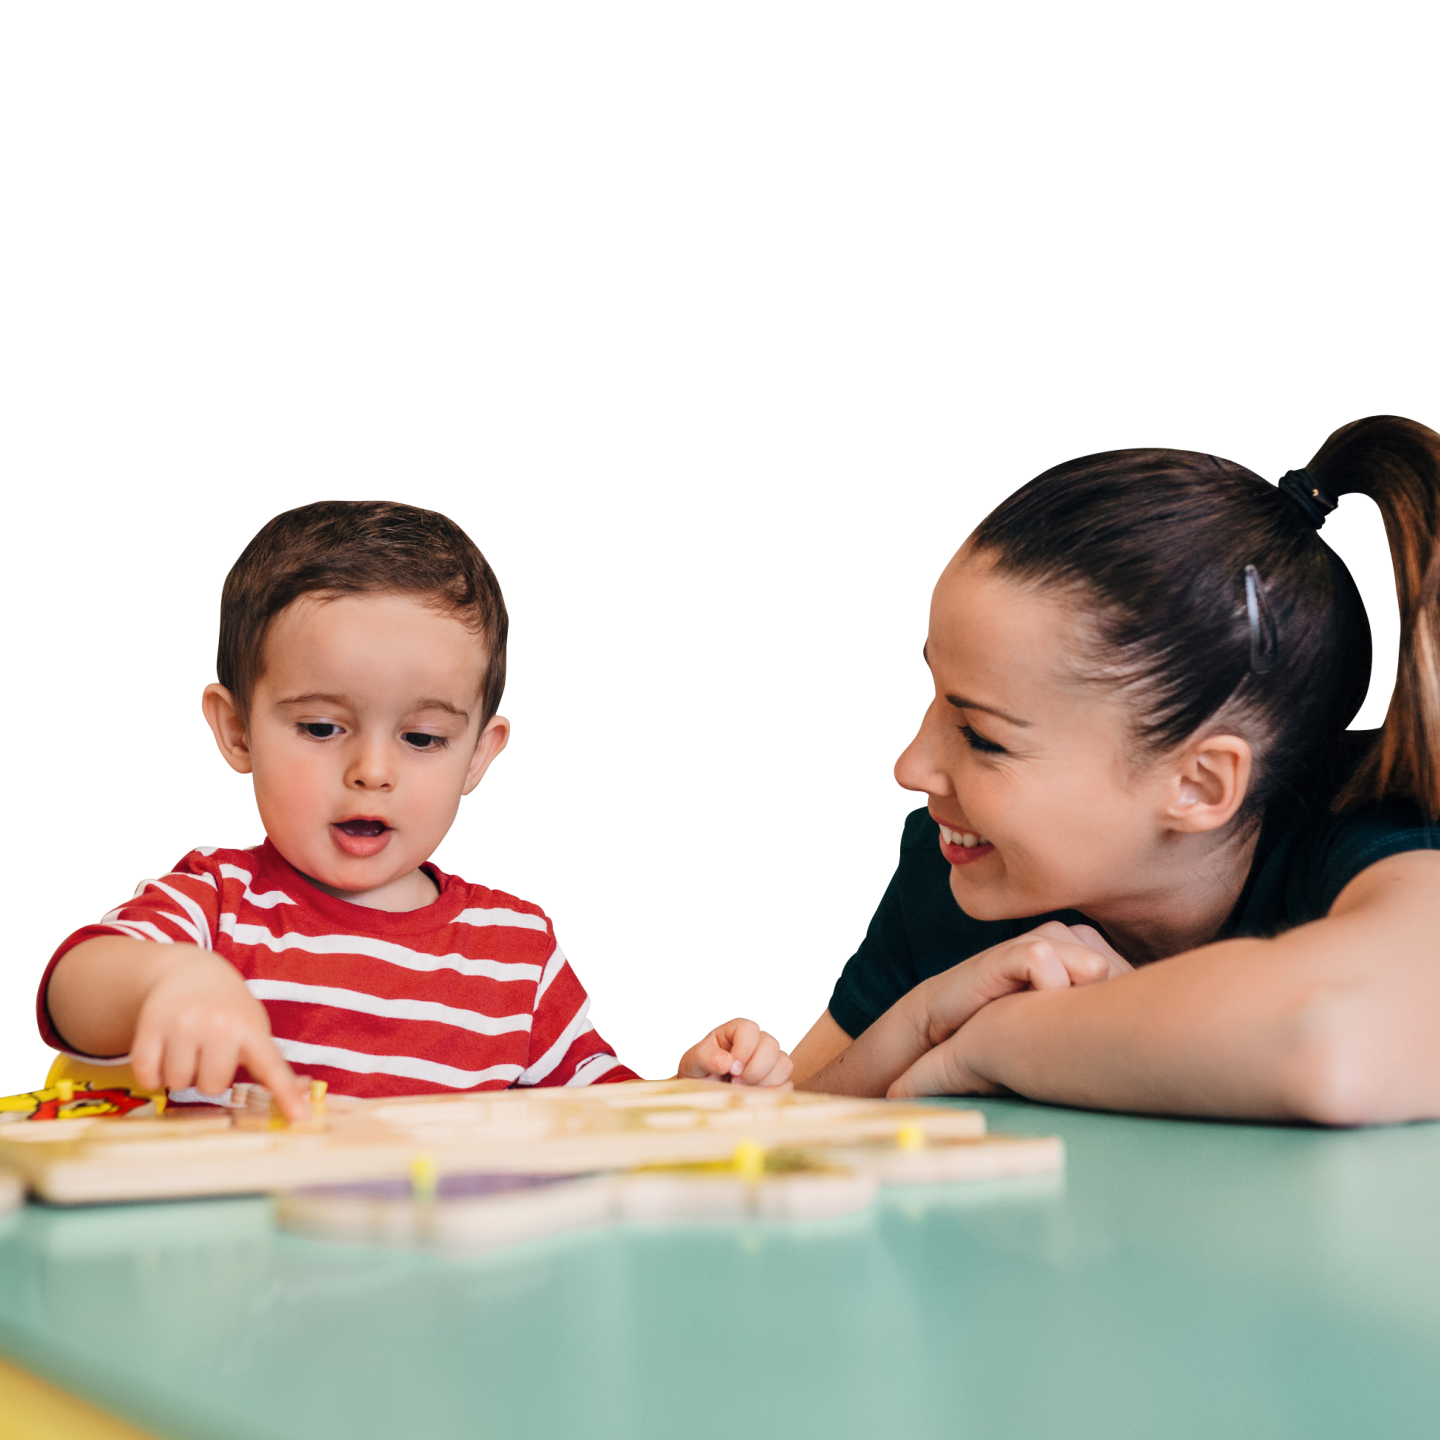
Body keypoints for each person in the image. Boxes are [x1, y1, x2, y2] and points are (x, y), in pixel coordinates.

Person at [38, 501, 790, 1120]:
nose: (371, 772)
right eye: (322, 728)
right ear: (236, 730)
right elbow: (73, 988)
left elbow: (601, 1124)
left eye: (423, 737)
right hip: (241, 1290)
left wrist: (697, 1099)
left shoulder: (516, 954)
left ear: (480, 755)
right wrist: (166, 982)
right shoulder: (216, 908)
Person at [789, 414, 1440, 1125]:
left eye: (981, 737)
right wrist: (918, 1021)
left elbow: (1338, 1041)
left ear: (1200, 784)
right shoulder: (961, 869)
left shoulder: (1378, 833)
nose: (910, 768)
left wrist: (996, 1042)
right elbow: (775, 1128)